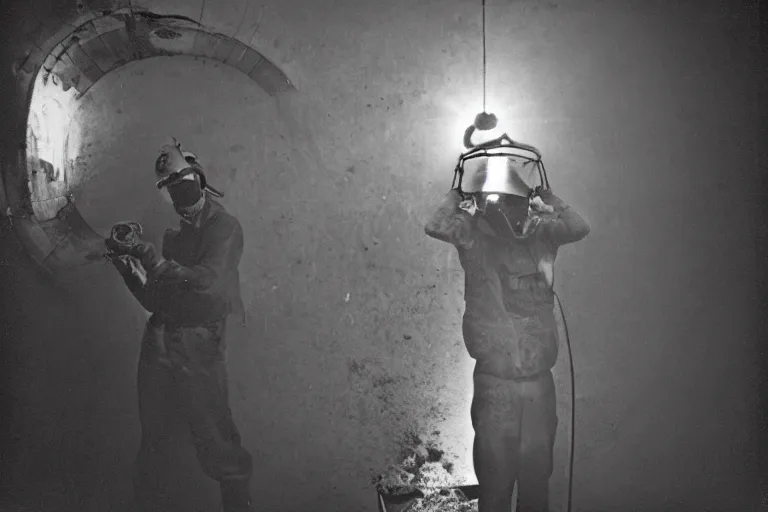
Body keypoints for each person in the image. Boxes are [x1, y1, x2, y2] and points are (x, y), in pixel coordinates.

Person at [424, 146, 590, 512]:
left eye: (513, 202)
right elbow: (435, 226)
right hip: (495, 384)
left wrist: (545, 196)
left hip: (536, 385)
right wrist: (457, 195)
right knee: (496, 487)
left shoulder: (542, 236)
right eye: (499, 201)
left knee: (535, 485)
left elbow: (579, 227)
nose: (505, 208)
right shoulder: (474, 239)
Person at [104, 140, 252, 512]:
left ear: (201, 181)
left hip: (199, 343)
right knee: (155, 432)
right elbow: (157, 302)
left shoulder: (225, 228)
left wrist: (151, 260)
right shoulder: (175, 236)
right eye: (174, 193)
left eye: (186, 188)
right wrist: (128, 268)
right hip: (160, 341)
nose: (182, 200)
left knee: (215, 433)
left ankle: (238, 504)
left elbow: (209, 283)